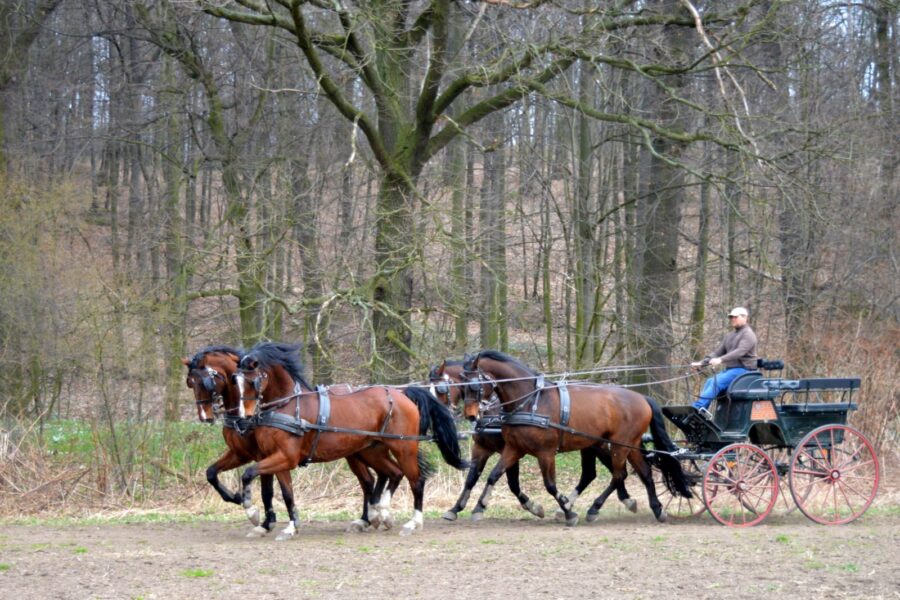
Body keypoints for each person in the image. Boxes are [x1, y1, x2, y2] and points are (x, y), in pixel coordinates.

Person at [691, 306, 758, 412]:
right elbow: (718, 352)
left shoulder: (748, 334)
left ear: (744, 318)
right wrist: (702, 363)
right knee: (709, 381)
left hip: (745, 370)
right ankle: (702, 411)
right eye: (731, 317)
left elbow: (740, 351)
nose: (732, 319)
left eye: (735, 317)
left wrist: (721, 360)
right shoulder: (730, 336)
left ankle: (697, 408)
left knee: (716, 382)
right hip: (731, 370)